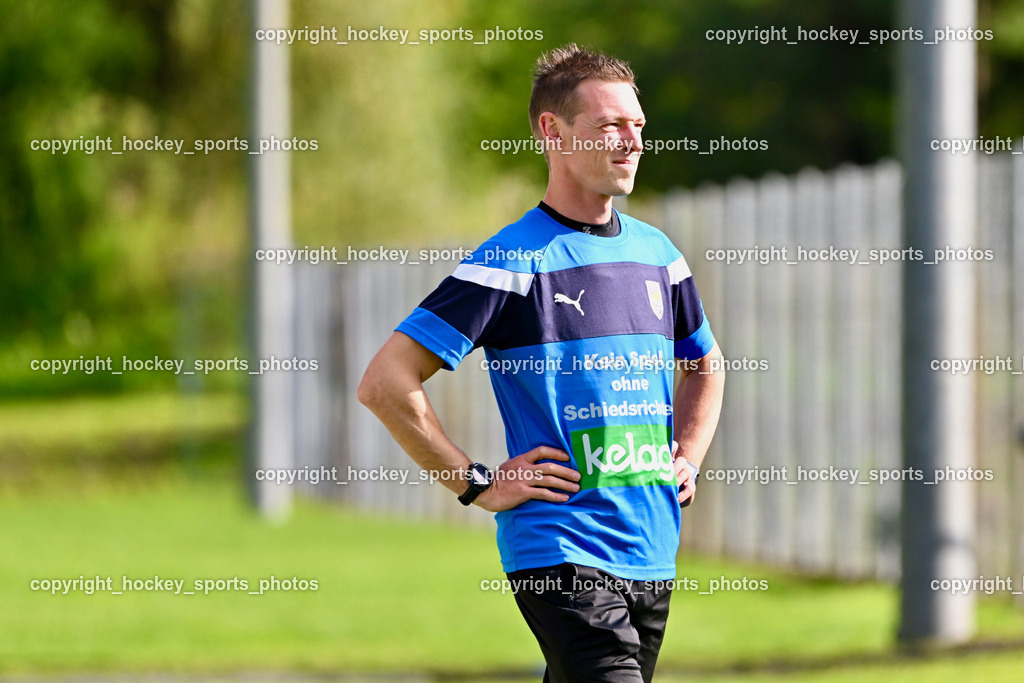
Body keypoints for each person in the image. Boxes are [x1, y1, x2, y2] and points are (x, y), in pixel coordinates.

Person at [358, 43, 725, 683]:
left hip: (652, 550)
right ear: (553, 131)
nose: (631, 142)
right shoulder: (508, 262)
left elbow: (706, 365)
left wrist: (687, 454)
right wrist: (475, 482)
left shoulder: (659, 255)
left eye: (638, 126)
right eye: (609, 125)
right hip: (561, 550)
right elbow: (386, 381)